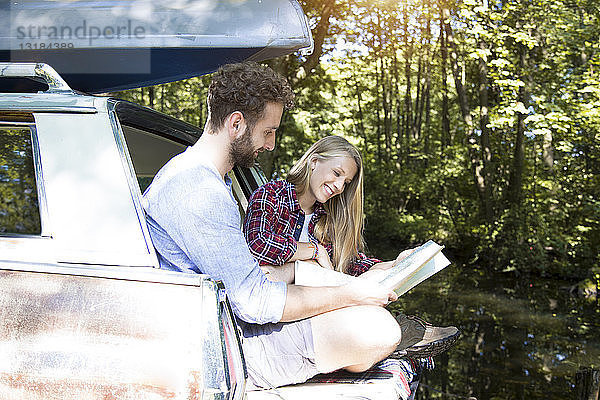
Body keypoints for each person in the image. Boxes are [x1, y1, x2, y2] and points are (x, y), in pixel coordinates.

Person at [142, 62, 405, 390]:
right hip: (223, 348)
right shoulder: (197, 190)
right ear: (236, 123)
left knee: (364, 315)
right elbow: (254, 302)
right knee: (378, 331)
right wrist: (349, 293)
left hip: (230, 318)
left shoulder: (206, 180)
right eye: (267, 131)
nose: (270, 144)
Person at [243, 135, 460, 358]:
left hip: (320, 305)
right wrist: (313, 250)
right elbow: (257, 244)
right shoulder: (272, 195)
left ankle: (391, 334)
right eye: (336, 173)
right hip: (280, 304)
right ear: (314, 162)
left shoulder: (326, 216)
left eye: (345, 183)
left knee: (372, 281)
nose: (338, 186)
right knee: (321, 277)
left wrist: (397, 263)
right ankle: (392, 336)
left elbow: (354, 265)